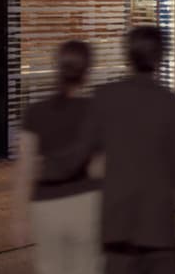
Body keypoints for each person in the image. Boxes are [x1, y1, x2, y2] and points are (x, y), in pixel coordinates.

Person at [42, 26, 175, 274]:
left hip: (117, 229)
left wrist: (45, 170)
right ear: (160, 57)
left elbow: (79, 155)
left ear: (127, 56)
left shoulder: (105, 97)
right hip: (159, 231)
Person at [13, 40, 102, 274]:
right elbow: (100, 167)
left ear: (58, 68)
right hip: (86, 203)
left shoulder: (36, 112)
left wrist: (20, 217)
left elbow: (25, 169)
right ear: (88, 71)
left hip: (46, 207)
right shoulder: (95, 111)